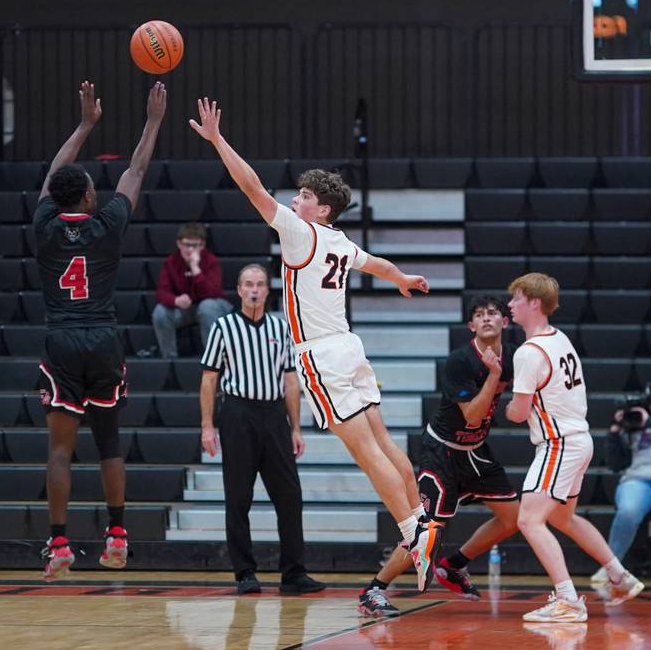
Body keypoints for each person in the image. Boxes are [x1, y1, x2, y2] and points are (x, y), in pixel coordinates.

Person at [189, 97, 443, 593]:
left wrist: (219, 141)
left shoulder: (301, 232)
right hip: (350, 347)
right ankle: (421, 520)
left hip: (321, 355)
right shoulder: (342, 242)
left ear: (320, 209)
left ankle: (413, 532)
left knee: (368, 455)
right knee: (387, 444)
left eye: (303, 195)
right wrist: (403, 279)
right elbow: (380, 265)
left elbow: (252, 187)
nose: (295, 199)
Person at [34, 80, 167, 580]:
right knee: (108, 441)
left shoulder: (44, 226)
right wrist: (152, 121)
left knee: (60, 449)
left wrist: (86, 124)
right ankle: (117, 535)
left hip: (62, 339)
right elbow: (135, 171)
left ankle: (60, 544)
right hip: (102, 339)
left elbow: (52, 175)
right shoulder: (107, 225)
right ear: (89, 196)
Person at [357, 295, 520, 616]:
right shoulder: (460, 361)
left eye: (493, 313)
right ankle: (373, 590)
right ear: (471, 325)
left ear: (506, 321)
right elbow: (472, 417)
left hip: (475, 451)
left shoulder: (515, 357)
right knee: (427, 531)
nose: (486, 318)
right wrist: (492, 376)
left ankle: (454, 566)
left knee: (513, 518)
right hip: (441, 453)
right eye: (479, 314)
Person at [504, 272, 644, 622]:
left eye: (516, 298)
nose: (510, 305)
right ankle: (620, 576)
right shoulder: (559, 338)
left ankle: (568, 599)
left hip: (559, 444)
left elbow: (518, 413)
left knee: (530, 520)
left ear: (534, 303)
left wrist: (504, 401)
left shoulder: (528, 352)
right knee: (563, 517)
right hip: (579, 440)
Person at [200, 263, 325, 595]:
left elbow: (290, 380)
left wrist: (296, 427)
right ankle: (244, 572)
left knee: (289, 496)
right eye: (248, 284)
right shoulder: (223, 327)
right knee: (238, 497)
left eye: (259, 284)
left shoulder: (281, 328)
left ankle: (294, 573)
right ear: (239, 290)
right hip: (238, 413)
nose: (254, 289)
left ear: (267, 290)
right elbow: (209, 379)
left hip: (274, 416)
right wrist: (207, 425)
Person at [591, 387, 651, 590]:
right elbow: (614, 464)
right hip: (638, 480)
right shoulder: (634, 422)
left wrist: (650, 422)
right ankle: (612, 565)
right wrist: (615, 432)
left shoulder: (647, 420)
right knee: (629, 510)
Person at [152, 222, 233, 358]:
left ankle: (214, 361)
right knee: (160, 312)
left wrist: (195, 269)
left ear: (202, 245)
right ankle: (170, 360)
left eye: (195, 245)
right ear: (179, 244)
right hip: (186, 308)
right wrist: (176, 300)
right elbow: (161, 292)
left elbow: (212, 292)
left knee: (207, 306)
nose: (190, 250)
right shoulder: (171, 262)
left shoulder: (211, 261)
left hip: (214, 306)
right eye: (187, 245)